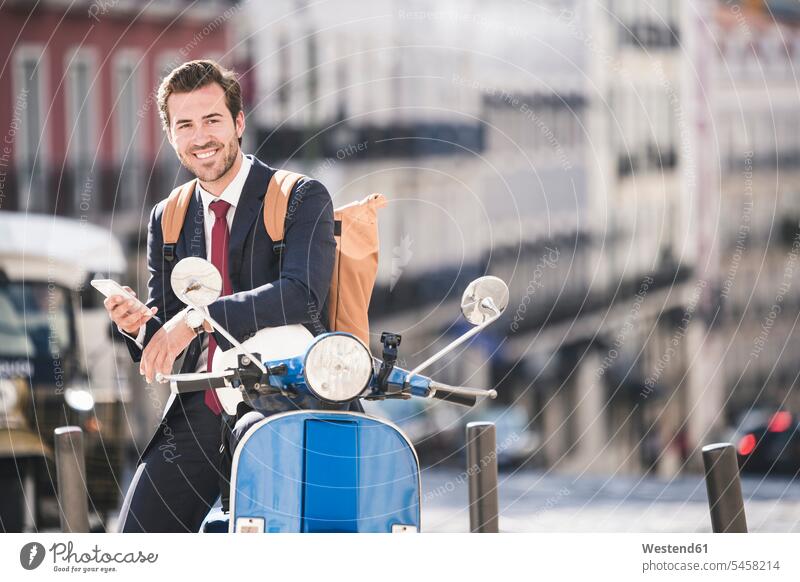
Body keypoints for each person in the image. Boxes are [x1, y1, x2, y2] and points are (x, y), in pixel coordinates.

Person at [104, 59, 345, 532]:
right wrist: (141, 327)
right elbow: (171, 337)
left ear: (238, 123)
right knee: (136, 543)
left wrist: (198, 318)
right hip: (203, 406)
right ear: (171, 135)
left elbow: (302, 295)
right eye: (185, 125)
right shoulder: (166, 217)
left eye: (212, 120)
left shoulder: (300, 196)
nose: (201, 137)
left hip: (288, 395)